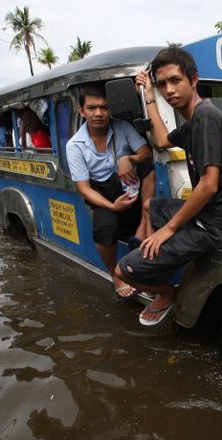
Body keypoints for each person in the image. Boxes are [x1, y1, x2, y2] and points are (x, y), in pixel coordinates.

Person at [116, 47, 222, 326]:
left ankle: (166, 290)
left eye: (175, 81)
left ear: (193, 79)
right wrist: (149, 96)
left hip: (214, 224)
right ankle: (154, 264)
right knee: (149, 206)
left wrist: (169, 230)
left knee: (123, 271)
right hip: (205, 213)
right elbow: (161, 140)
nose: (169, 90)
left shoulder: (205, 117)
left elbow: (208, 185)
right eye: (162, 85)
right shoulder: (194, 118)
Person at [66, 83, 154, 299]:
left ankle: (144, 223)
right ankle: (115, 274)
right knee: (104, 228)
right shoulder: (74, 145)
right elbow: (84, 188)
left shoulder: (123, 127)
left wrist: (128, 159)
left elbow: (146, 153)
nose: (99, 113)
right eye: (92, 108)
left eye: (104, 108)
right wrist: (112, 206)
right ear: (82, 111)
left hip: (132, 188)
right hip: (104, 195)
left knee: (147, 167)